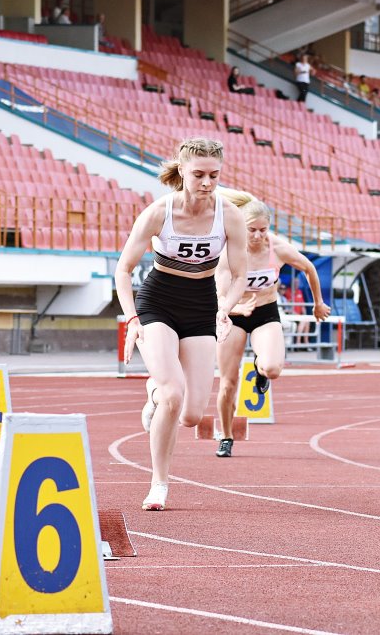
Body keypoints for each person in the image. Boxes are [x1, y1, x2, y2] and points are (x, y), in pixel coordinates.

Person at [115, 138, 250, 511]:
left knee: (190, 415)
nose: (207, 183)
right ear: (182, 170)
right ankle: (159, 483)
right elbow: (124, 269)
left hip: (202, 305)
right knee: (174, 393)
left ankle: (153, 393)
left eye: (214, 175)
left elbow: (240, 274)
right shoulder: (159, 212)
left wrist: (225, 308)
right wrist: (133, 319)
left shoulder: (229, 216)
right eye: (199, 175)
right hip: (158, 301)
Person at [212, 189, 331, 458]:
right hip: (233, 315)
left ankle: (260, 368)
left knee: (273, 368)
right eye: (251, 230)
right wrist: (235, 307)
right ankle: (227, 437)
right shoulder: (229, 250)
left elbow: (309, 268)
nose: (257, 236)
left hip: (266, 311)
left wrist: (318, 303)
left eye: (262, 230)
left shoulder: (276, 248)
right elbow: (219, 292)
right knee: (228, 383)